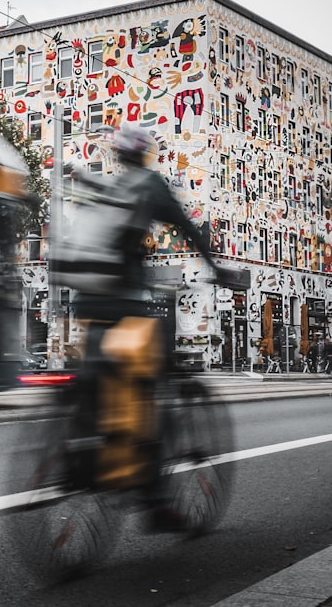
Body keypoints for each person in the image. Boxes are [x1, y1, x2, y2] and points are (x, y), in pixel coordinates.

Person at [69, 126, 235, 530]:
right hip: (126, 305)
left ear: (117, 158)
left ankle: (79, 451)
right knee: (152, 390)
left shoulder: (109, 188)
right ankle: (156, 500)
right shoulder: (149, 185)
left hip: (86, 302)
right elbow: (190, 229)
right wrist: (217, 270)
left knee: (95, 382)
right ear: (145, 156)